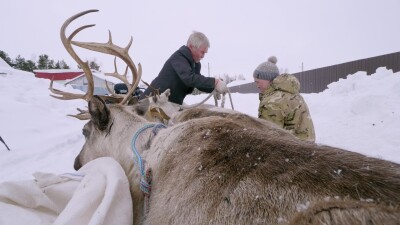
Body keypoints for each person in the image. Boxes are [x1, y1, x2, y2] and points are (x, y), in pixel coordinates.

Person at [140, 31, 228, 105]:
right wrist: (215, 82)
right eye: (202, 52)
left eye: (205, 53)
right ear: (190, 46)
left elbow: (197, 82)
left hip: (168, 104)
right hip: (151, 103)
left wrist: (213, 88)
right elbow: (189, 78)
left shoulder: (195, 64)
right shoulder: (179, 57)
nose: (203, 56)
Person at [253, 56, 316, 142]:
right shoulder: (292, 93)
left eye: (258, 82)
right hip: (309, 148)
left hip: (292, 151)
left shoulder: (272, 102)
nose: (257, 86)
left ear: (268, 79)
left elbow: (269, 139)